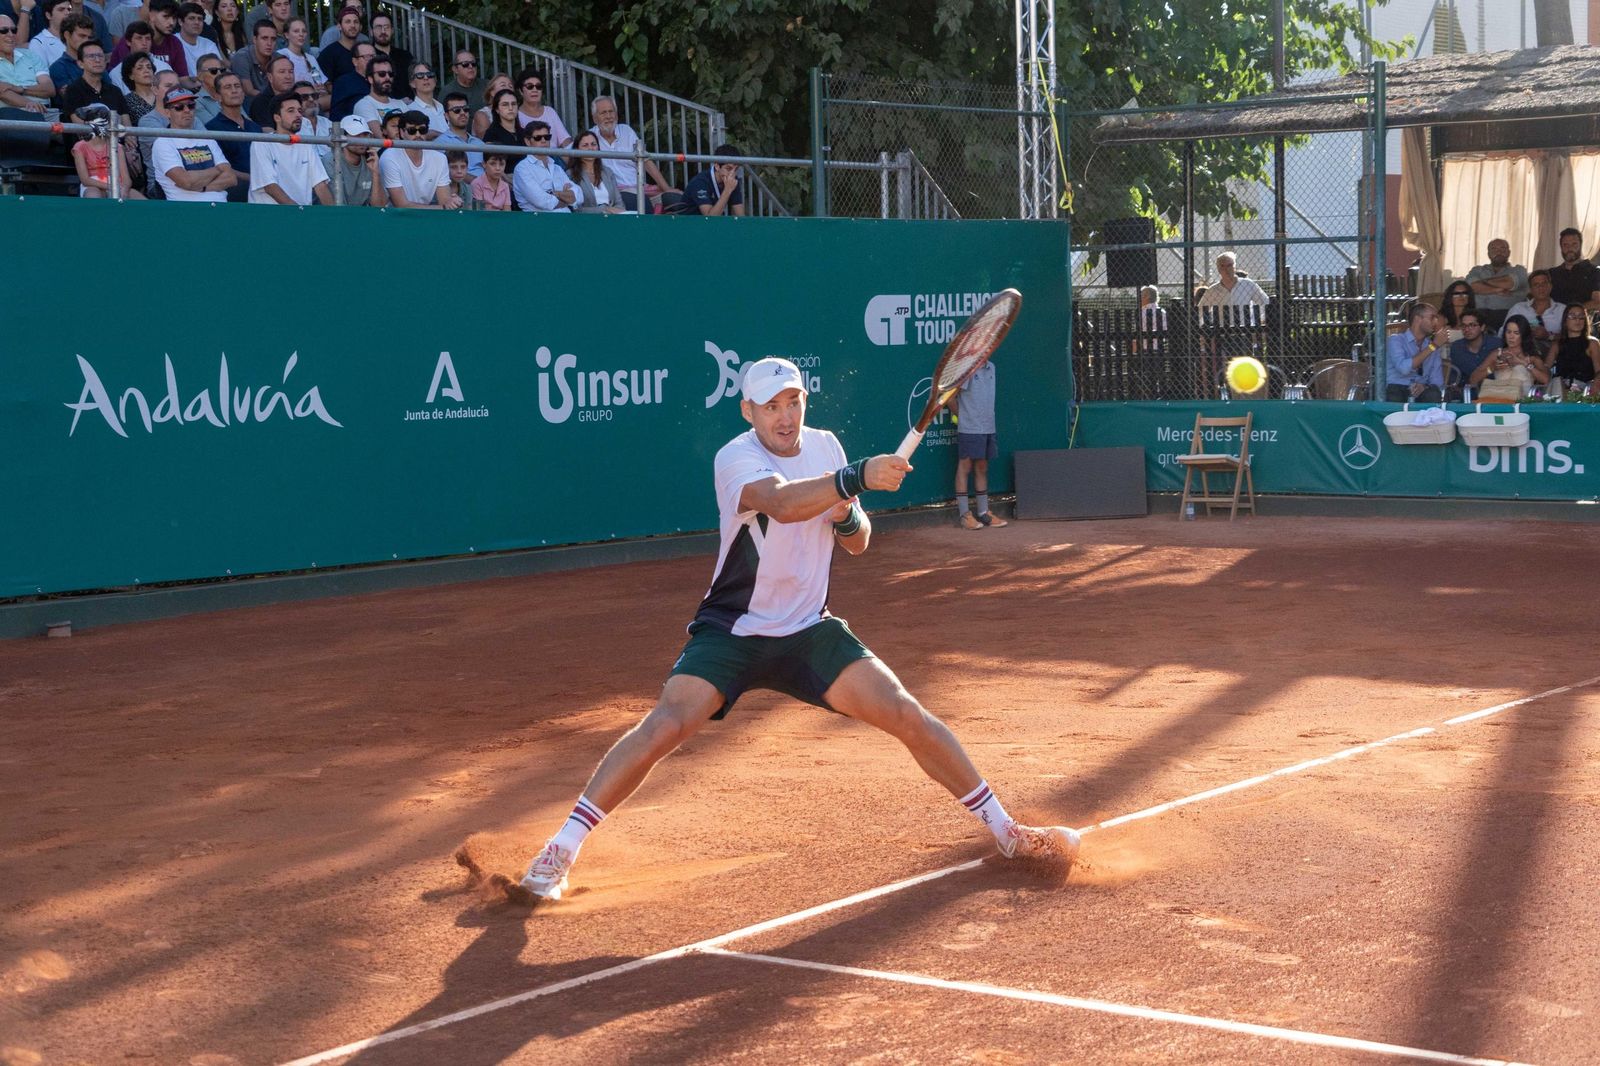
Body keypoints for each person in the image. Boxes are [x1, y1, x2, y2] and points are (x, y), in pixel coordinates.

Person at [494, 357, 1079, 905]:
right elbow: (782, 503)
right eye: (770, 405)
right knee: (665, 725)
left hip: (807, 631)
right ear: (748, 411)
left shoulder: (823, 445)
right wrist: (852, 478)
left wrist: (849, 507)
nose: (785, 415)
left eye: (793, 401)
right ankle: (560, 852)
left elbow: (857, 541)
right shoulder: (735, 458)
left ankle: (1007, 833)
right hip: (734, 632)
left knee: (906, 713)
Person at [948, 355, 1007, 529]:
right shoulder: (966, 369)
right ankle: (965, 515)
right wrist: (964, 418)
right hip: (969, 428)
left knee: (982, 467)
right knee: (964, 466)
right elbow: (950, 398)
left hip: (988, 427)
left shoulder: (992, 368)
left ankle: (983, 513)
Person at [589, 94, 675, 213]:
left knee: (675, 200)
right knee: (640, 204)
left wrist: (667, 189)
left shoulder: (626, 131)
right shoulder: (589, 139)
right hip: (616, 193)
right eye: (603, 113)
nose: (608, 116)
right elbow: (570, 157)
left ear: (616, 114)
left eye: (611, 111)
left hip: (641, 188)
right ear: (594, 118)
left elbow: (645, 161)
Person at [150, 80, 234, 199]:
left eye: (191, 105)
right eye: (179, 107)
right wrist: (216, 170)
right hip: (187, 212)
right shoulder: (163, 143)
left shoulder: (208, 140)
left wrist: (203, 188)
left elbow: (231, 178)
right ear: (168, 112)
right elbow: (186, 181)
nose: (187, 110)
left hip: (220, 209)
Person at [248, 89, 328, 204]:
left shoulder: (305, 144)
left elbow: (321, 186)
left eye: (299, 111)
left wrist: (336, 217)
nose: (298, 115)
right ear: (277, 117)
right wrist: (297, 214)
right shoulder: (261, 143)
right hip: (268, 216)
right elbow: (270, 187)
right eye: (291, 111)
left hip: (300, 215)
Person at [378, 108, 458, 209]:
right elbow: (401, 205)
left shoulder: (440, 158)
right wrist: (443, 207)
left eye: (422, 130)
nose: (418, 135)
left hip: (426, 217)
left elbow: (444, 201)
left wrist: (452, 202)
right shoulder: (389, 157)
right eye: (412, 131)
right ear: (402, 132)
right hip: (394, 217)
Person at [202, 67, 255, 198]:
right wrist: (253, 179)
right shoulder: (212, 129)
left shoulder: (254, 127)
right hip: (234, 191)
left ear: (243, 92)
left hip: (261, 187)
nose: (234, 90)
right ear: (217, 96)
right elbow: (219, 167)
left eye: (237, 86)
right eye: (228, 87)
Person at [70, 101, 143, 196]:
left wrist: (124, 189)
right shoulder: (80, 147)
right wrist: (111, 187)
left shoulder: (118, 146)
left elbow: (126, 179)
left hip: (118, 184)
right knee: (93, 195)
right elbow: (85, 180)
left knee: (138, 199)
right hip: (93, 185)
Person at [1384, 300, 1448, 403]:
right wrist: (1433, 346)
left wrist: (1424, 386)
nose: (1436, 322)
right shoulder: (1396, 340)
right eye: (1432, 318)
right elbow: (1403, 368)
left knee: (1434, 394)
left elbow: (1437, 381)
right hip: (1397, 388)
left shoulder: (1432, 345)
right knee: (1395, 393)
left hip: (1420, 390)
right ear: (1417, 319)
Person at [1471, 315, 1548, 400]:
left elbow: (1546, 380)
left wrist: (1524, 364)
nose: (1511, 337)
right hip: (1500, 403)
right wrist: (1492, 368)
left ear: (1524, 335)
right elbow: (1473, 379)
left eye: (1516, 333)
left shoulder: (1531, 356)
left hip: (1524, 403)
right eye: (1508, 332)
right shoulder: (1497, 354)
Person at [511, 119, 573, 212]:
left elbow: (577, 196)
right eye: (538, 138)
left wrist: (557, 194)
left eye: (547, 137)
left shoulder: (557, 167)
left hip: (567, 219)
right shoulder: (522, 169)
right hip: (539, 222)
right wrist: (566, 201)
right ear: (527, 142)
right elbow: (542, 202)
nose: (543, 140)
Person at [1464, 238, 1526, 330]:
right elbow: (1472, 287)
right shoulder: (1477, 270)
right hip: (1477, 316)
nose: (1499, 252)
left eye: (1502, 249)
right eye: (1494, 249)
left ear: (1509, 252)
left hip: (1508, 316)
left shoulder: (1519, 270)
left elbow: (1509, 283)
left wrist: (1482, 282)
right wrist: (1498, 289)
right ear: (1488, 253)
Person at [0, 11, 55, 110]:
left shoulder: (30, 55)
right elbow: (2, 93)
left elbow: (49, 88)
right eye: (3, 31)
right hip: (9, 116)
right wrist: (30, 103)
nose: (11, 34)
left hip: (44, 112)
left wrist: (19, 89)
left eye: (14, 30)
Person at [58, 37, 125, 118]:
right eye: (91, 56)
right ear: (80, 64)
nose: (97, 60)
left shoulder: (115, 91)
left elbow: (127, 125)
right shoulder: (73, 90)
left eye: (100, 56)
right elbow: (78, 125)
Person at [327, 111, 383, 205]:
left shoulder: (371, 161)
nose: (362, 140)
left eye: (365, 135)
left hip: (364, 217)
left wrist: (375, 173)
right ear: (343, 137)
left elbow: (380, 207)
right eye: (356, 134)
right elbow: (337, 209)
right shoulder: (330, 161)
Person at [1545, 302, 1600, 392]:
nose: (1577, 320)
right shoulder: (1557, 344)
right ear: (1565, 321)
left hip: (1585, 389)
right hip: (1561, 389)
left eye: (1581, 317)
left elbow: (1598, 371)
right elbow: (1545, 368)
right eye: (1572, 317)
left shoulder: (1592, 343)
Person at [1448, 309, 1501, 398]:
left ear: (1482, 327)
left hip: (1495, 392)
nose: (1467, 329)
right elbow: (1458, 378)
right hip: (1466, 394)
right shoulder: (1457, 347)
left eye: (1472, 325)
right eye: (1463, 326)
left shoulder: (1496, 344)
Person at [1546, 227, 1600, 313]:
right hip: (1555, 321)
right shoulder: (1552, 274)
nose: (1570, 248)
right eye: (1565, 245)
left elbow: (1597, 302)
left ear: (1580, 245)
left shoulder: (1593, 272)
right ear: (1561, 247)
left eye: (1574, 244)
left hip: (1582, 320)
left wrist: (1570, 312)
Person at [681, 143, 744, 216]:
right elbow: (710, 218)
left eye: (736, 169)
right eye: (728, 169)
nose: (732, 174)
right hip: (689, 224)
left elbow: (741, 216)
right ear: (717, 166)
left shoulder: (732, 180)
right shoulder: (700, 182)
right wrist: (727, 190)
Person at [1503, 269, 1564, 345]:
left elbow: (1570, 337)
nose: (1541, 288)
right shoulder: (1518, 309)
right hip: (1522, 351)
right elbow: (1503, 332)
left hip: (1554, 353)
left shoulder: (1562, 310)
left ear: (1550, 287)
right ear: (1530, 290)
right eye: (1536, 285)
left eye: (1544, 284)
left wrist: (1548, 336)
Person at [566, 128, 620, 213]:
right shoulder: (570, 175)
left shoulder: (608, 172)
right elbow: (575, 209)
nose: (590, 148)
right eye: (585, 145)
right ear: (577, 149)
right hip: (586, 222)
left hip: (612, 220)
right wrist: (603, 210)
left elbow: (619, 203)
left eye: (593, 144)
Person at [511, 65, 567, 145]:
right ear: (520, 91)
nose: (535, 90)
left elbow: (565, 139)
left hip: (555, 156)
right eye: (529, 86)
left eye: (538, 86)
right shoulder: (515, 115)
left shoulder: (550, 111)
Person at [433, 89, 481, 175]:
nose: (462, 113)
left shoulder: (479, 143)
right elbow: (448, 174)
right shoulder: (440, 144)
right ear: (446, 116)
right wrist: (478, 183)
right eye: (456, 110)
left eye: (465, 109)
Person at [351, 52, 401, 134]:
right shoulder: (363, 105)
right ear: (370, 79)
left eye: (390, 74)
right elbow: (381, 136)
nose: (387, 77)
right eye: (382, 74)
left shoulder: (400, 104)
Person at [44, 10, 94, 88]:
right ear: (67, 35)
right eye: (82, 36)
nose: (86, 40)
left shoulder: (96, 62)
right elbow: (70, 96)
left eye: (89, 37)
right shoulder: (58, 68)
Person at [226, 12, 269, 97]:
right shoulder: (241, 57)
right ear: (254, 39)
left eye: (273, 39)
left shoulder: (278, 57)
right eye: (264, 38)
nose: (269, 43)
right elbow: (248, 91)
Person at [326, 36, 368, 120]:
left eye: (373, 56)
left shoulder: (383, 78)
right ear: (355, 61)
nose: (371, 60)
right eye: (366, 57)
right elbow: (336, 115)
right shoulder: (343, 83)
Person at [314, 3, 359, 82]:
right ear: (339, 26)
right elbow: (322, 84)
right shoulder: (328, 54)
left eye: (356, 22)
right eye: (348, 22)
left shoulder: (364, 51)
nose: (353, 25)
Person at [242, 48, 287, 125]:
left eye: (291, 71)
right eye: (282, 72)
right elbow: (268, 133)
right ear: (270, 77)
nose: (288, 76)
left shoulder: (297, 98)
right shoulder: (260, 103)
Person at [171, 1, 213, 76]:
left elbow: (217, 69)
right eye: (191, 18)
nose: (197, 22)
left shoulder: (209, 44)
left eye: (200, 19)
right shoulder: (172, 41)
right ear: (180, 22)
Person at [402, 59, 445, 134]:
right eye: (420, 75)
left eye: (429, 74)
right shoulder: (410, 110)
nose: (426, 78)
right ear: (412, 83)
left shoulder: (442, 107)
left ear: (435, 80)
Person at [26, 0, 71, 67]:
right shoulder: (38, 42)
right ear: (48, 15)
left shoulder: (77, 37)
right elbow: (41, 73)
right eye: (61, 9)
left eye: (69, 9)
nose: (67, 12)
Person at [279, 15, 320, 87]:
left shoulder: (311, 58)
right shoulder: (281, 55)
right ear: (287, 35)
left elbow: (320, 82)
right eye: (296, 31)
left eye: (304, 31)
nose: (301, 34)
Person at [117, 47, 156, 119]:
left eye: (149, 67)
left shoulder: (162, 96)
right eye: (140, 68)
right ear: (131, 75)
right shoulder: (126, 102)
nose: (146, 71)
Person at [469, 70, 508, 137]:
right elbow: (487, 141)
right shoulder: (482, 114)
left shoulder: (517, 112)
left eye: (510, 86)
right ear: (492, 92)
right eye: (503, 85)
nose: (508, 88)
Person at [189, 49, 222, 121]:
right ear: (200, 76)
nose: (219, 74)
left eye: (222, 70)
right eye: (214, 71)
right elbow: (214, 128)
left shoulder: (230, 94)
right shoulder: (195, 101)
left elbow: (247, 121)